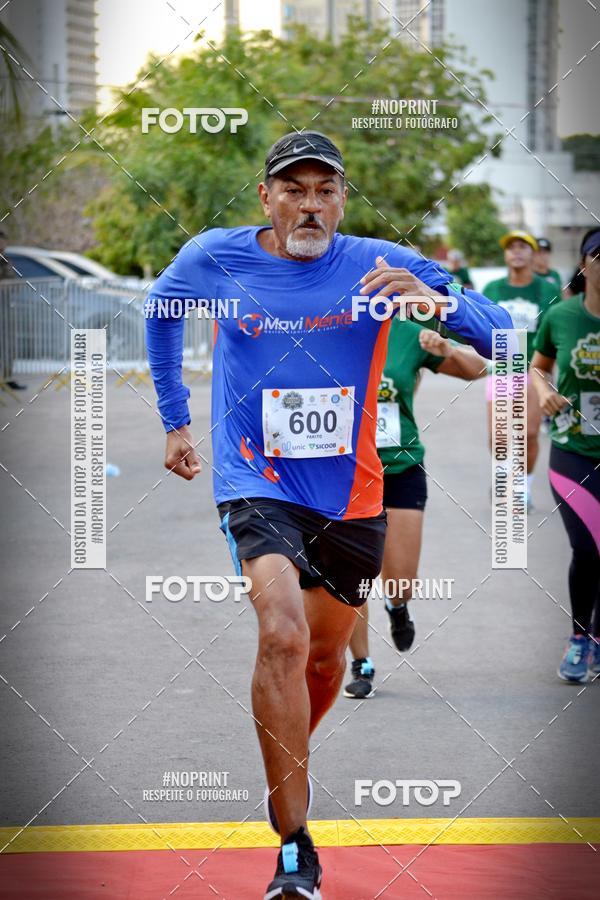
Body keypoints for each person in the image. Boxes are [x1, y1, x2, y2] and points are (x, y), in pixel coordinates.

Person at [145, 131, 511, 900]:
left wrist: (439, 303)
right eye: (294, 189)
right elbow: (160, 312)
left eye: (325, 190)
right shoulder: (216, 257)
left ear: (343, 199)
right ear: (266, 197)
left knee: (323, 660)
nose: (310, 205)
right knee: (282, 633)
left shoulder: (381, 264)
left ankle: (285, 767)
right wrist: (176, 419)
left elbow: (501, 337)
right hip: (256, 480)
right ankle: (294, 844)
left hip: (352, 497)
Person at [343, 325, 487, 699]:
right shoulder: (332, 327)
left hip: (400, 466)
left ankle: (397, 606)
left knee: (401, 581)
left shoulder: (410, 335)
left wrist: (447, 350)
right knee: (352, 575)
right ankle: (361, 663)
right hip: (345, 471)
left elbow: (479, 370)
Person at [530, 226, 600, 683]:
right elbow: (538, 368)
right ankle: (579, 638)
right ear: (584, 264)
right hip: (573, 450)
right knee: (588, 548)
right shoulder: (562, 316)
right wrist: (543, 392)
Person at [483, 230, 558, 507]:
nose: (516, 251)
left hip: (533, 369)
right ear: (505, 254)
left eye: (522, 247)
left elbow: (555, 330)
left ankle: (523, 487)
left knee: (529, 433)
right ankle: (503, 477)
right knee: (499, 435)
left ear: (533, 254)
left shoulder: (547, 290)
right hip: (501, 368)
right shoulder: (492, 289)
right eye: (511, 247)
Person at [0, 230, 27, 392]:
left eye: (4, 241)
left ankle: (7, 377)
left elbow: (13, 281)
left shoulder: (6, 260)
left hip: (6, 307)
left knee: (8, 344)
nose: (3, 244)